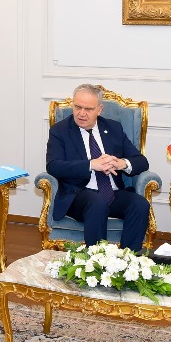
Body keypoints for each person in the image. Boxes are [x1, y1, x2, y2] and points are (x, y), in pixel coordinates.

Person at [44, 83, 152, 250]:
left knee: (140, 204)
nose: (81, 113)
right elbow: (53, 166)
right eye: (77, 107)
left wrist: (121, 163)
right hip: (79, 195)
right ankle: (96, 259)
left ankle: (128, 258)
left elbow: (142, 161)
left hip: (113, 193)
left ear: (99, 110)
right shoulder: (60, 131)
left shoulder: (113, 128)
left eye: (88, 109)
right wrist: (90, 165)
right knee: (98, 202)